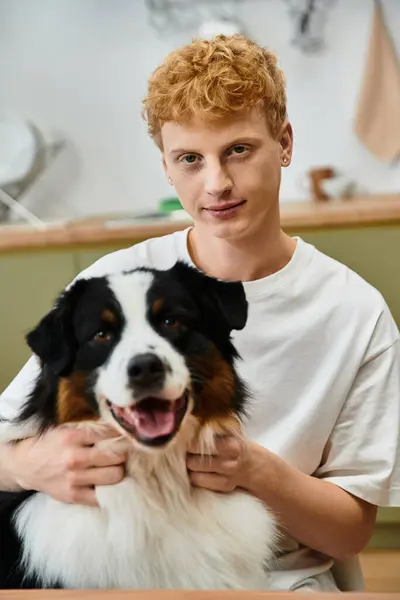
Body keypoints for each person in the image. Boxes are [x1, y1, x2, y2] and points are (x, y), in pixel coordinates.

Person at [1, 34, 399, 592]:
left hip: (279, 579)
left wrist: (254, 469)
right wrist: (25, 465)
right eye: (190, 159)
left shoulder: (356, 313)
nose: (216, 183)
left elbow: (349, 533)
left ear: (284, 143)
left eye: (238, 149)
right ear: (166, 166)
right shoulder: (112, 283)